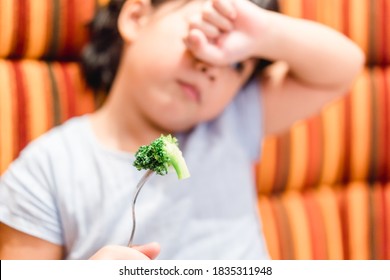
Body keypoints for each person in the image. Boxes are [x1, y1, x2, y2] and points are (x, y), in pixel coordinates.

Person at [0, 0, 364, 260]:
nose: (213, 64)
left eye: (237, 64)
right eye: (207, 30)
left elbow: (345, 67)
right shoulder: (47, 169)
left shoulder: (232, 122)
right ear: (138, 17)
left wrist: (267, 33)